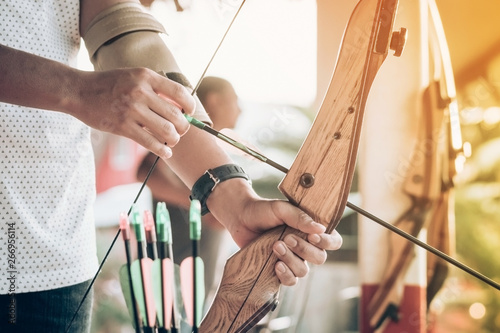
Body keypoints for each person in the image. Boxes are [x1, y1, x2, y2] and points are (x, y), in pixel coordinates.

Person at [0, 1, 342, 332]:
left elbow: (116, 23)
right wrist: (76, 90)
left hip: (52, 255)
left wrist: (236, 202)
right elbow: (145, 166)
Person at [137, 76, 241, 303]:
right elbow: (146, 172)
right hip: (174, 279)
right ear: (214, 101)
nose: (240, 110)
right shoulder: (181, 137)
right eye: (235, 100)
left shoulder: (215, 150)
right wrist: (204, 205)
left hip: (199, 281)